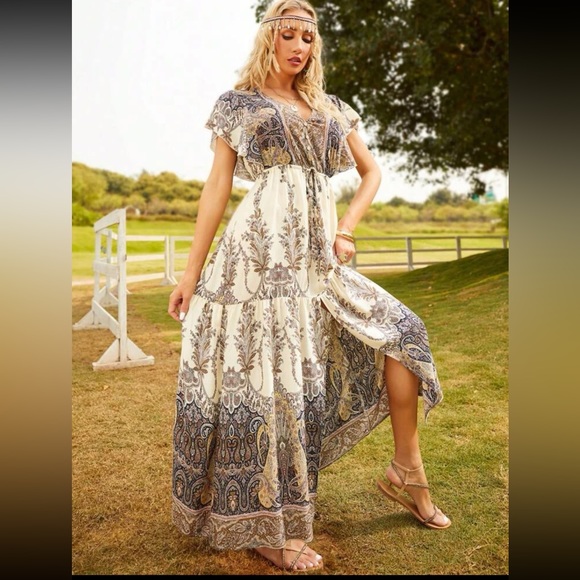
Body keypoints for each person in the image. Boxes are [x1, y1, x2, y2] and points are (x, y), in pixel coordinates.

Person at [167, 0, 450, 572]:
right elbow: (217, 185)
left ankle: (406, 469)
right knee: (272, 388)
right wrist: (191, 273)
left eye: (308, 38)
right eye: (289, 35)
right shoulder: (238, 104)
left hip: (317, 263)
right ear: (268, 38)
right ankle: (268, 527)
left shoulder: (329, 107)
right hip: (256, 264)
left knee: (404, 334)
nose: (300, 46)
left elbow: (371, 172)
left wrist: (346, 229)